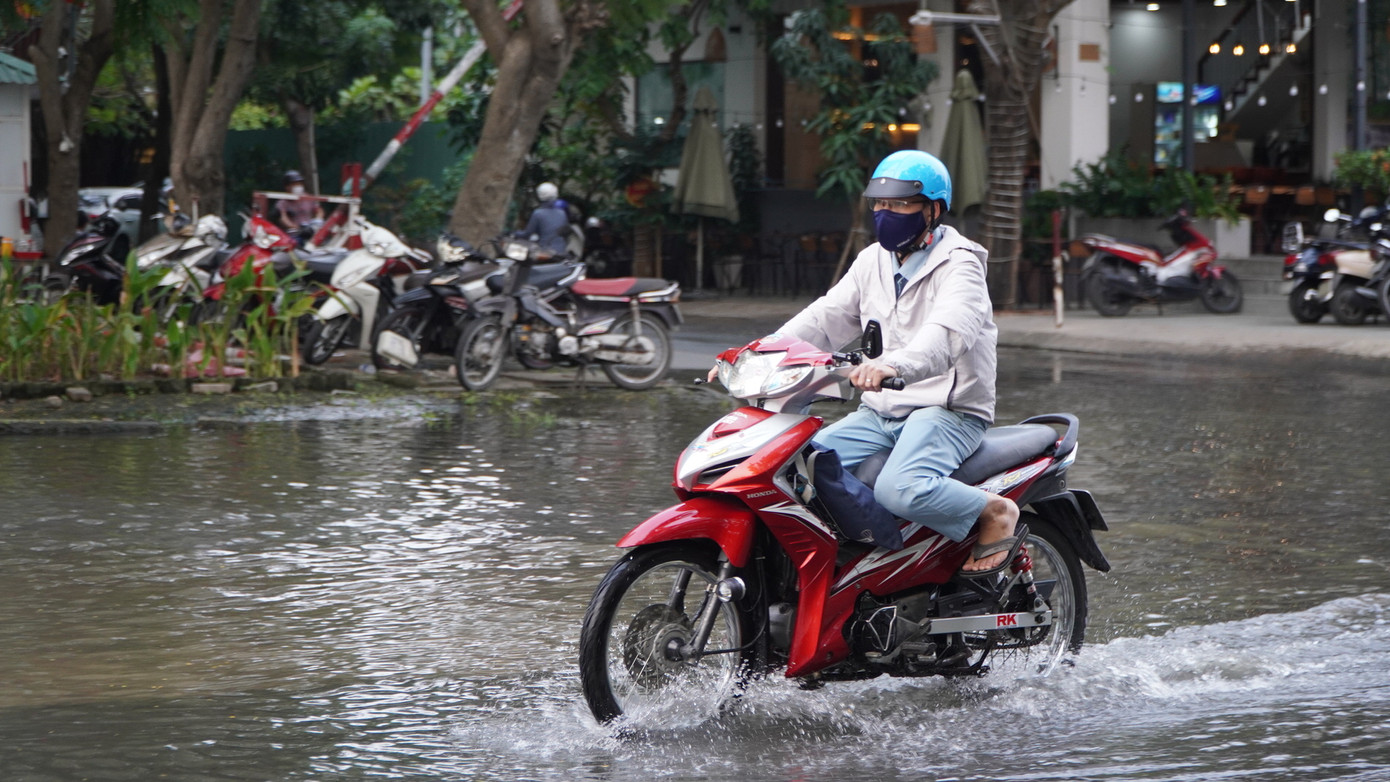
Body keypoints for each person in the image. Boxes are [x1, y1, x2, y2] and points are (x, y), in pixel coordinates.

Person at [713, 150, 1020, 574]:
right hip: (880, 411)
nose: (886, 213)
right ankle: (859, 564)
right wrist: (752, 356)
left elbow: (949, 333)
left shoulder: (960, 264)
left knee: (900, 489)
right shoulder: (872, 259)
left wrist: (896, 366)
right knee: (792, 470)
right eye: (880, 203)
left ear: (933, 210)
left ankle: (994, 512)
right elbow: (823, 320)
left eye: (900, 204)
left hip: (947, 411)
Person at [523, 182, 570, 254]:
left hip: (544, 252)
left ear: (539, 196)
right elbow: (566, 233)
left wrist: (514, 234)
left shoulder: (538, 213)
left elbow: (528, 234)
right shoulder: (562, 213)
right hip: (561, 253)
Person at [276, 170, 323, 241]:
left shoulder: (307, 198)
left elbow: (319, 210)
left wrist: (317, 220)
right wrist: (296, 227)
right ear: (287, 186)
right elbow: (283, 218)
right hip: (294, 234)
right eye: (294, 184)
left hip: (310, 231)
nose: (298, 186)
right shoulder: (282, 202)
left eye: (299, 184)